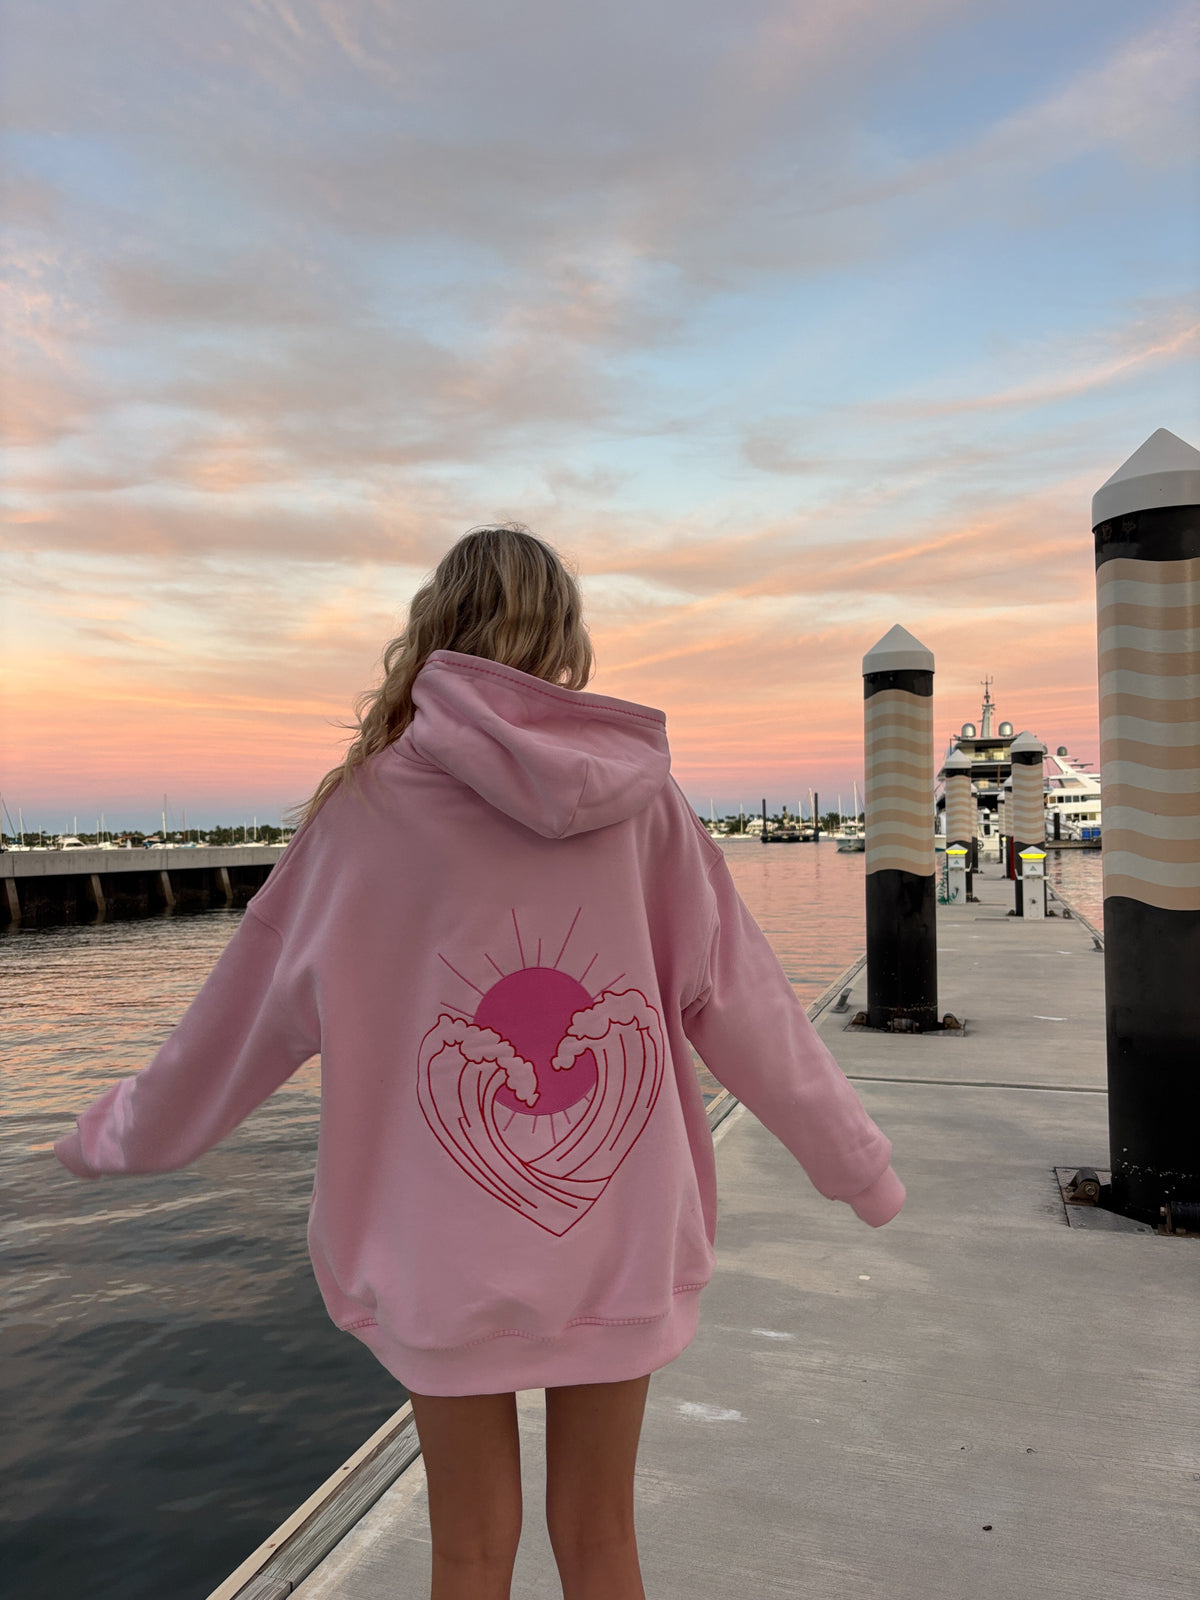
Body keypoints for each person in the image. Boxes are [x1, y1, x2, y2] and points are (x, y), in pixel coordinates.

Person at [54, 523, 905, 1600]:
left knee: (466, 1548)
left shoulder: (362, 815)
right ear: (563, 638)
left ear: (435, 633)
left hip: (438, 1255)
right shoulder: (646, 806)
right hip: (619, 1232)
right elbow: (749, 1007)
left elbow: (238, 1025)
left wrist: (115, 1134)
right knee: (602, 1537)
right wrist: (858, 1166)